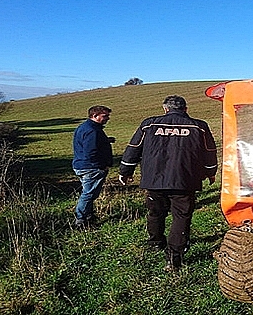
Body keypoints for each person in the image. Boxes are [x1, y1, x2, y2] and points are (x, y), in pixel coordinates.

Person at [119, 95, 218, 271]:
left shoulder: (149, 124)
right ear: (185, 109)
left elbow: (133, 149)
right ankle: (174, 257)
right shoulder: (199, 126)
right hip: (185, 180)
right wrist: (211, 172)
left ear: (165, 109)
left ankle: (155, 242)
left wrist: (125, 172)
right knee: (181, 216)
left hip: (154, 179)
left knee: (155, 212)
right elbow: (209, 152)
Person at [72, 105, 115, 228]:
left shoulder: (85, 127)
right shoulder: (92, 130)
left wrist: (106, 141)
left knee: (88, 193)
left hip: (81, 165)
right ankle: (81, 221)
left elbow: (89, 145)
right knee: (89, 194)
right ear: (95, 116)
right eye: (105, 116)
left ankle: (88, 217)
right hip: (91, 167)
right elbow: (91, 152)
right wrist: (101, 166)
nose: (108, 118)